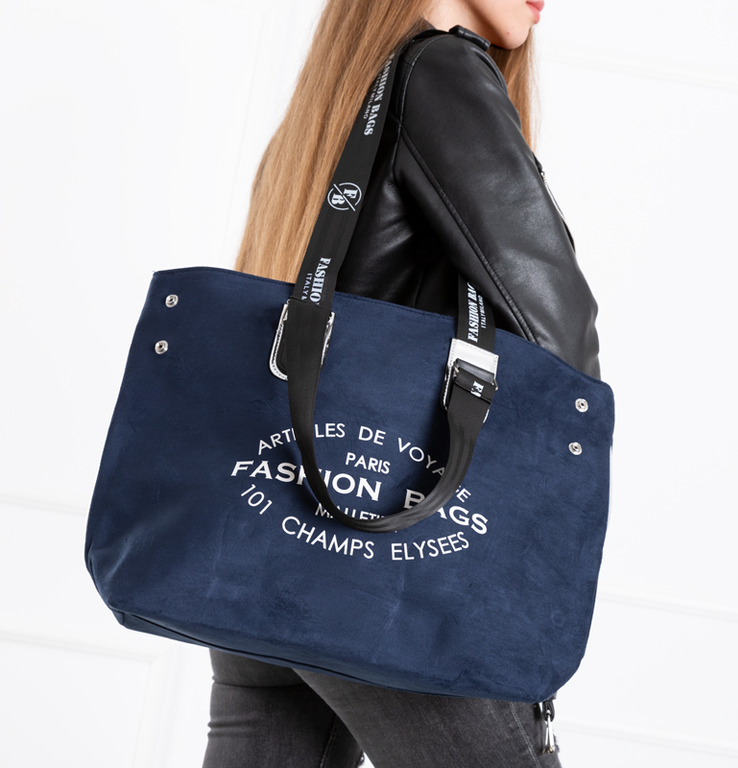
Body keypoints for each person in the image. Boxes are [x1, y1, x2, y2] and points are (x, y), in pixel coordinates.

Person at [202, 0, 600, 765]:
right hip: (382, 558)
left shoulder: (335, 95)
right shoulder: (441, 70)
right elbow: (560, 329)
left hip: (267, 542)